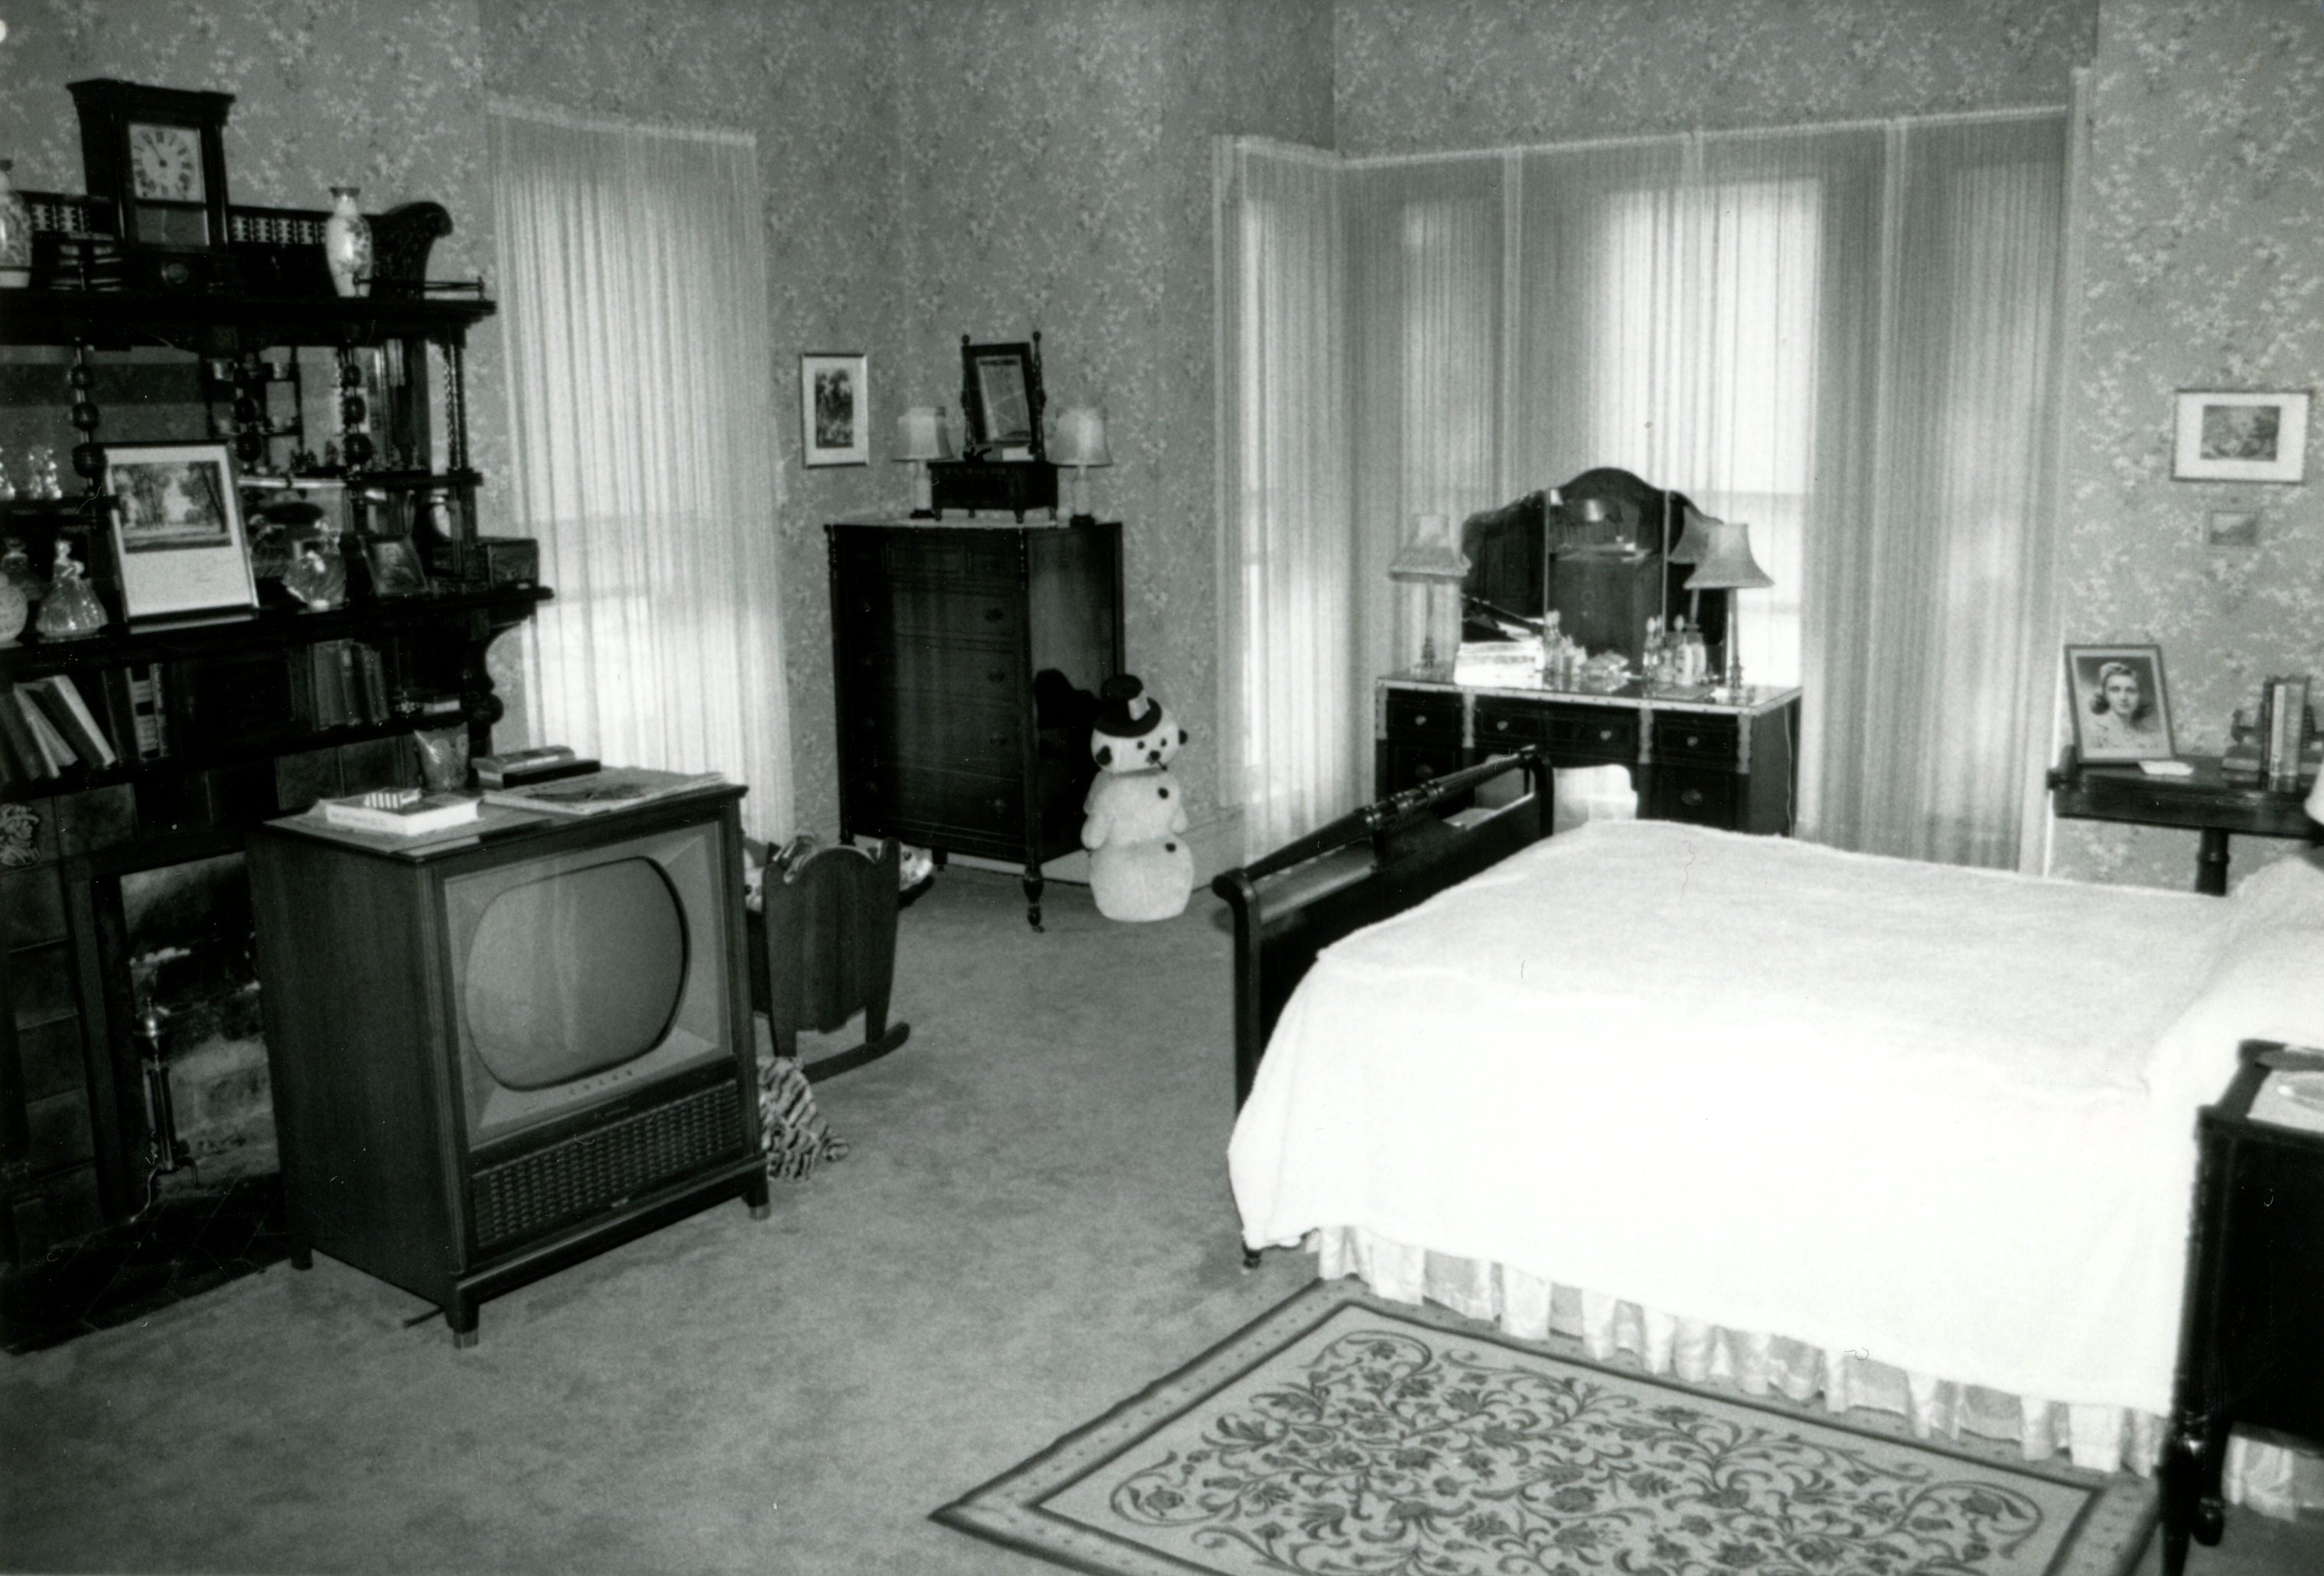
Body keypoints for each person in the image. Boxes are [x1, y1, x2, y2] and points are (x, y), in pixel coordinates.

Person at [2084, 660, 2162, 755]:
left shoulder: (2150, 735)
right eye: (2115, 690)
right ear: (2105, 694)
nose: (2123, 698)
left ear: (2140, 696)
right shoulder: (2093, 732)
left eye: (2131, 691)